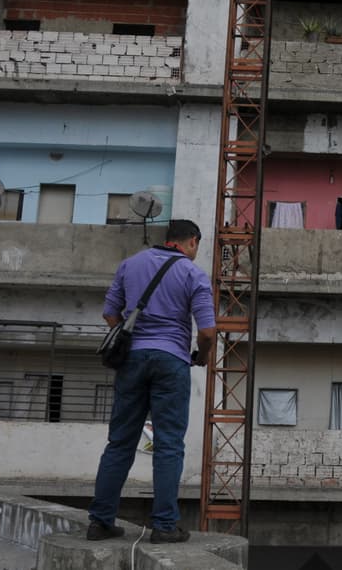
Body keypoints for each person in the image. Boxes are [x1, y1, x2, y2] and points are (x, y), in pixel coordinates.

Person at [88, 219, 216, 544]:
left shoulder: (130, 264)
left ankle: (100, 522)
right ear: (192, 242)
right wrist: (201, 357)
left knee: (119, 442)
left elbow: (110, 313)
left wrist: (129, 338)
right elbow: (207, 332)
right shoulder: (193, 273)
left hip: (132, 360)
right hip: (171, 361)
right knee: (169, 445)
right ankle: (164, 526)